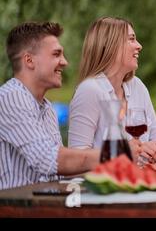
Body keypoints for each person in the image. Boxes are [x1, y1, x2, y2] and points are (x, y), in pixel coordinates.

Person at [0, 22, 134, 190]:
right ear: (29, 60)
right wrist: (117, 153)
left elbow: (60, 173)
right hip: (13, 209)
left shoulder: (46, 107)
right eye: (56, 54)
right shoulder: (11, 97)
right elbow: (47, 159)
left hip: (41, 206)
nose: (65, 62)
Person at [68, 17, 156, 163]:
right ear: (110, 45)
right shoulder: (89, 91)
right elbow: (75, 159)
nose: (139, 46)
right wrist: (124, 152)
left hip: (141, 180)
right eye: (131, 39)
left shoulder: (137, 86)